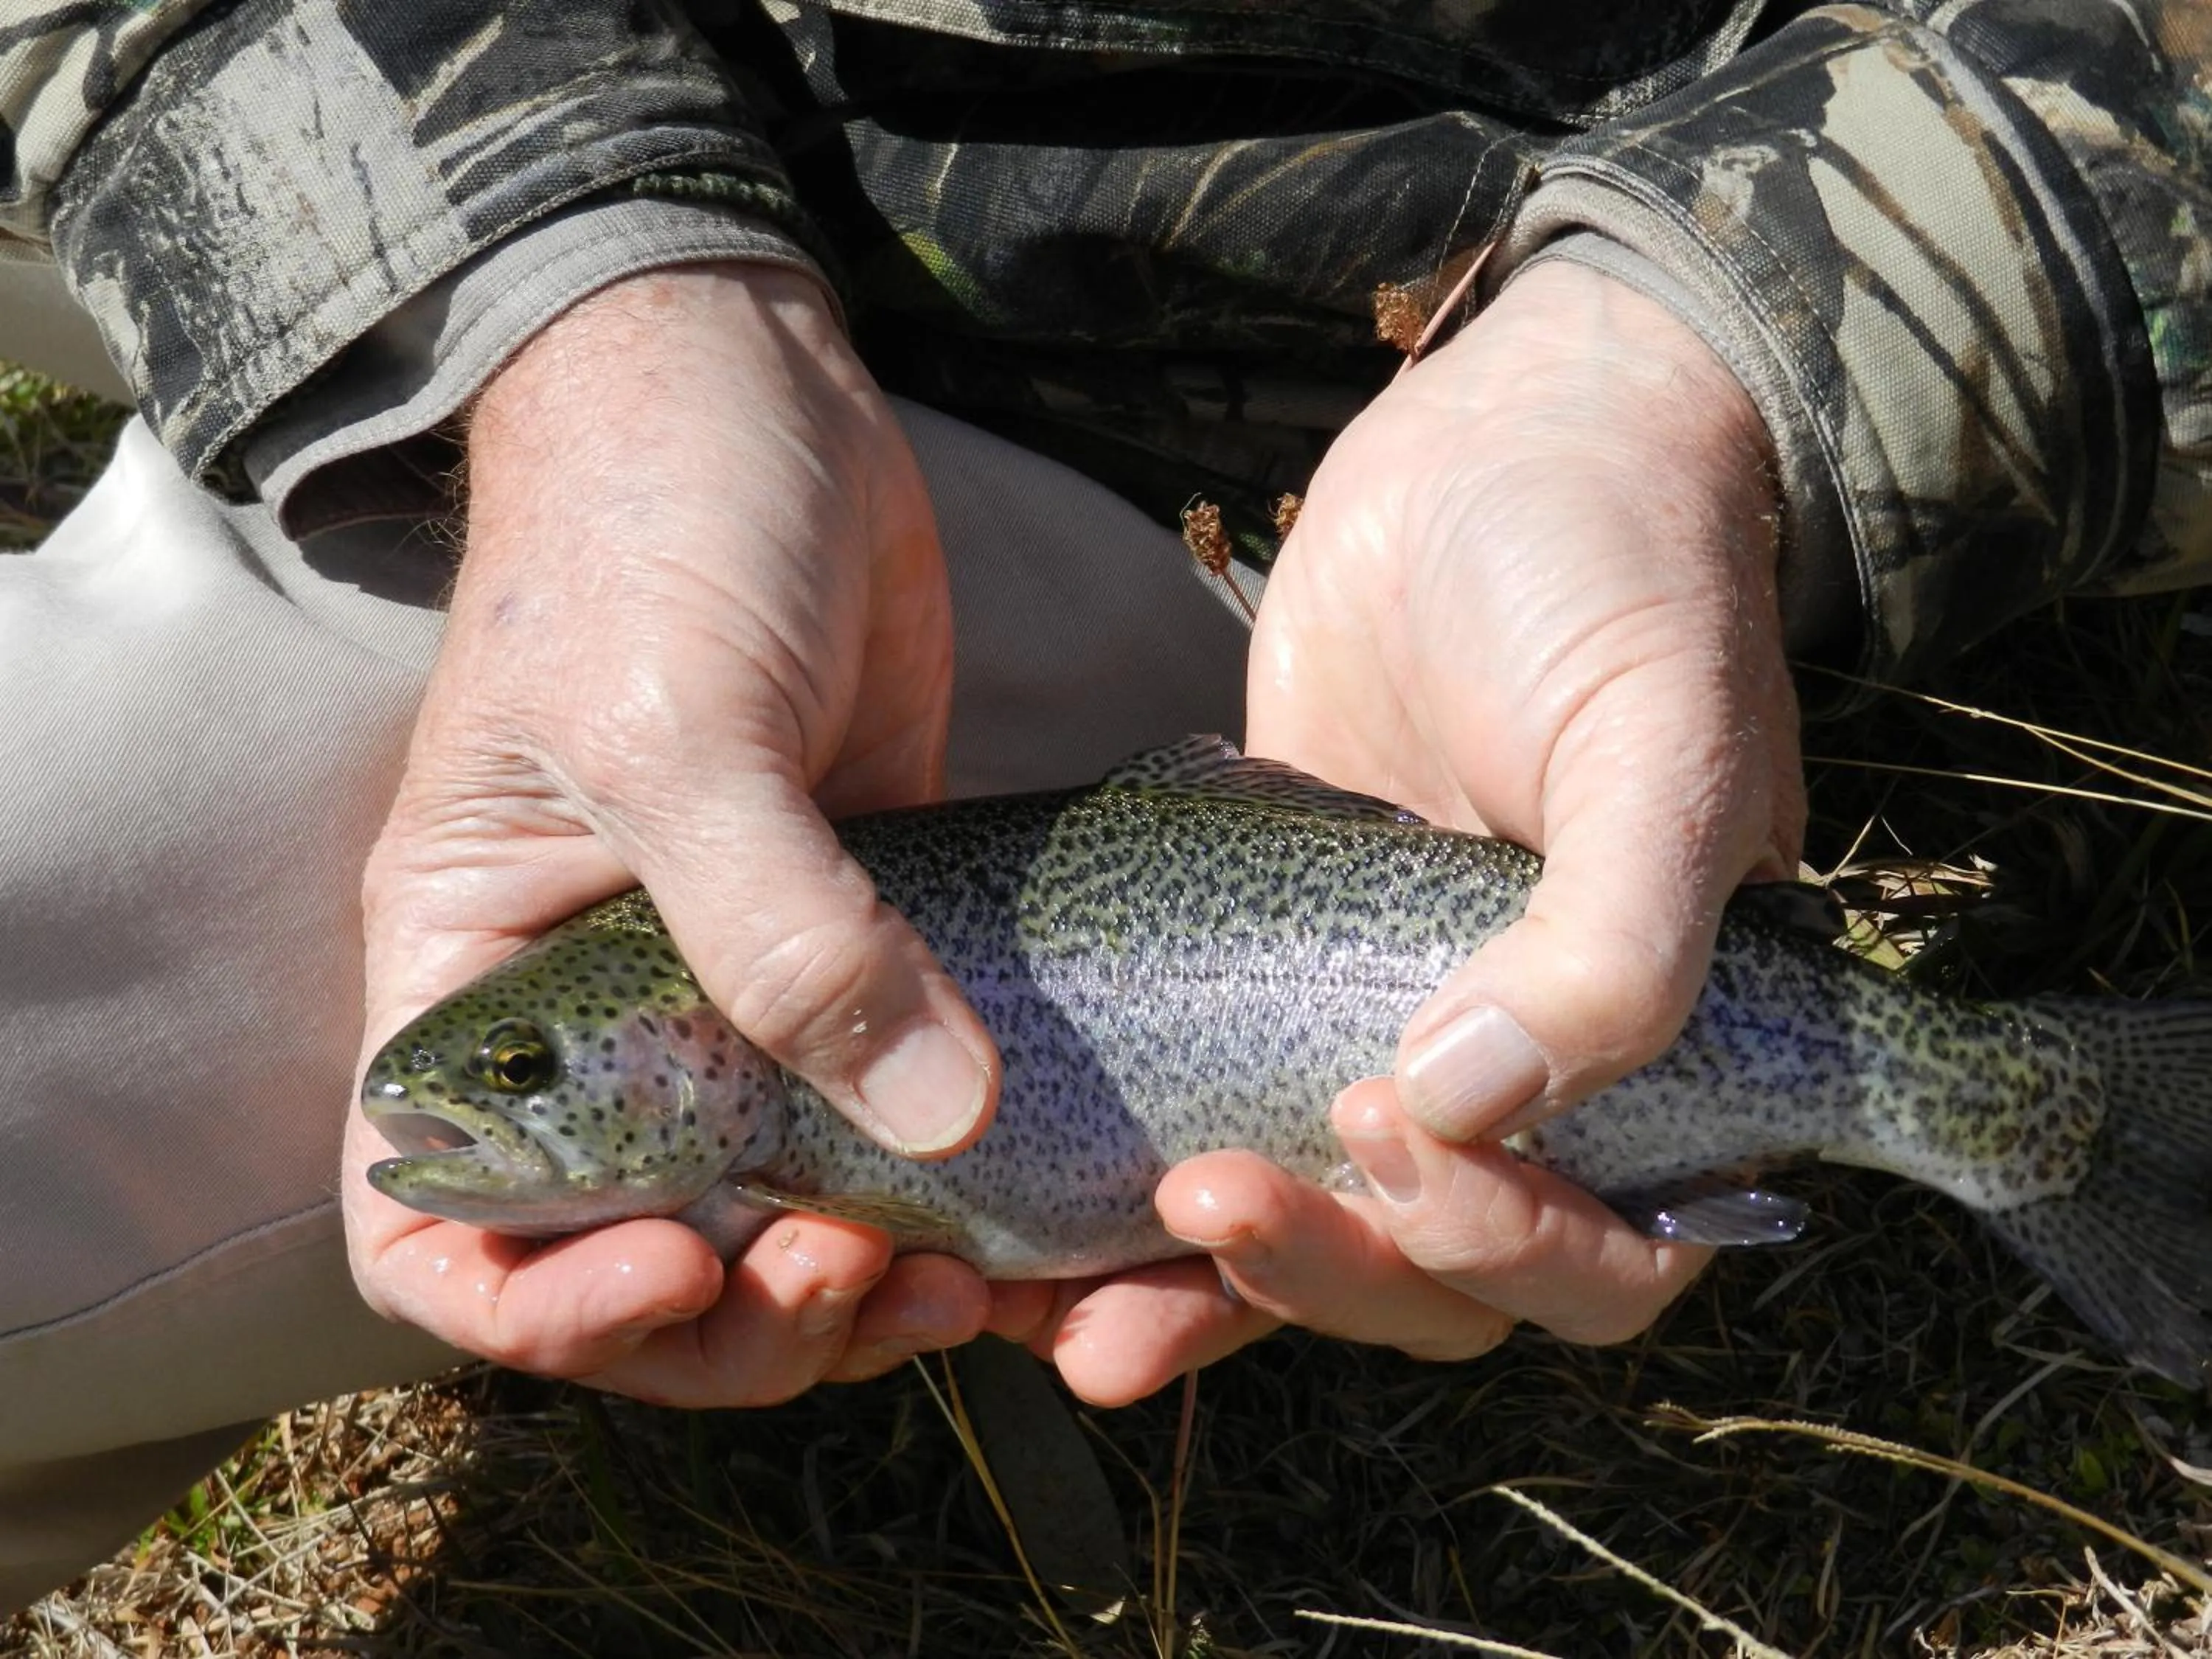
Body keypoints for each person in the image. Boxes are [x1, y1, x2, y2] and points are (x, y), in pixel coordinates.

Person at [2, 0, 2205, 1613]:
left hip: (1370, 402)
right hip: (592, 250)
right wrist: (585, 314)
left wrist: (1678, 368)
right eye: (519, 1072)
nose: (489, 1096)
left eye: (526, 1073)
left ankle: (2036, 1110)